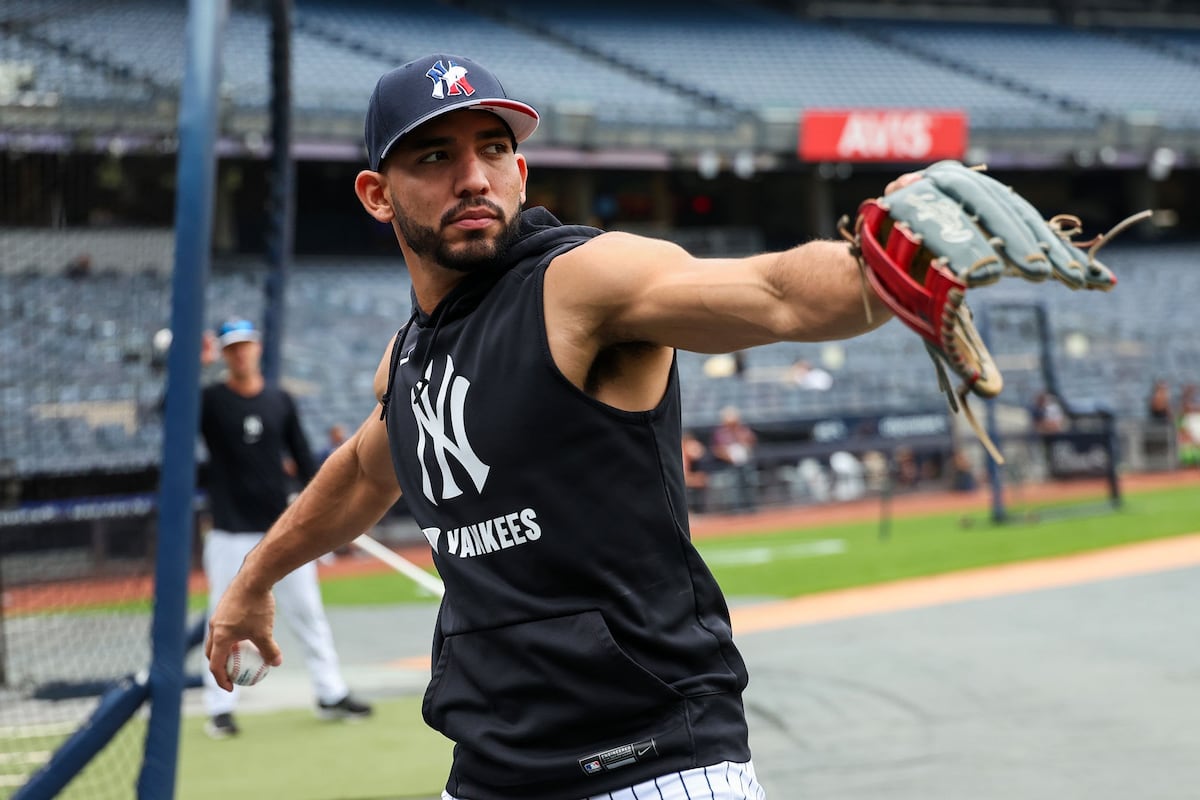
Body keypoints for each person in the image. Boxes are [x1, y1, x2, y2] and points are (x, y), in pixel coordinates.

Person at [206, 53, 900, 799]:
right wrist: (253, 579)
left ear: (521, 173)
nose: (473, 178)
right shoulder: (408, 356)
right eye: (436, 156)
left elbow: (773, 293)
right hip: (492, 770)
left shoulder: (579, 282)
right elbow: (363, 472)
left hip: (652, 764)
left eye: (493, 150)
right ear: (378, 195)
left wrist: (882, 262)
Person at [199, 318, 372, 739]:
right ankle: (220, 708)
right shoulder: (210, 400)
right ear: (223, 354)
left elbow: (307, 462)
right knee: (223, 618)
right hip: (230, 533)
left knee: (310, 614)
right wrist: (192, 367)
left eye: (245, 345)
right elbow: (169, 414)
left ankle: (330, 693)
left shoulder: (280, 400)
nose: (240, 353)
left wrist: (333, 512)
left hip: (282, 532)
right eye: (231, 348)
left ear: (257, 347)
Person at [709, 405, 760, 512]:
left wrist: (745, 443)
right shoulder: (720, 433)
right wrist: (727, 456)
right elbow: (716, 450)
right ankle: (737, 510)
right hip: (729, 465)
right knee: (734, 488)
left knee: (749, 484)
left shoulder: (743, 430)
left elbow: (752, 441)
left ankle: (751, 508)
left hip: (745, 463)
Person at [681, 429, 710, 513]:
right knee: (701, 481)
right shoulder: (682, 455)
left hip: (689, 480)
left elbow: (701, 452)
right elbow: (683, 479)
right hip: (681, 485)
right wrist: (696, 479)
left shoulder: (692, 458)